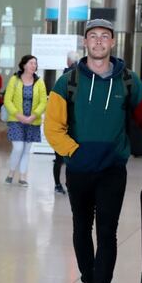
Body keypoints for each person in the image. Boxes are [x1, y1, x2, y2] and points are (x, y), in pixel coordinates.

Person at [44, 19, 142, 283]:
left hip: (112, 168)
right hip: (79, 170)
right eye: (93, 36)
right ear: (85, 42)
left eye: (104, 37)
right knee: (81, 229)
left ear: (113, 42)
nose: (99, 41)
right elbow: (52, 128)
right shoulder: (68, 81)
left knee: (107, 232)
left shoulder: (127, 80)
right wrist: (75, 152)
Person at [4, 55, 47, 187]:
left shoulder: (39, 82)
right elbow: (7, 100)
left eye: (35, 63)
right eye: (31, 63)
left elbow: (43, 101)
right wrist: (19, 116)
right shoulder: (14, 80)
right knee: (18, 148)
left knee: (26, 150)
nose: (34, 65)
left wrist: (33, 116)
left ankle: (22, 176)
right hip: (16, 120)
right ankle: (11, 172)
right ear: (24, 65)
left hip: (33, 121)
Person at [53, 51, 81, 195]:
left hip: (64, 123)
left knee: (59, 158)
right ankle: (69, 184)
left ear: (69, 61)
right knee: (72, 157)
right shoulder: (82, 75)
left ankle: (58, 184)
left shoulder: (66, 76)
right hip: (75, 124)